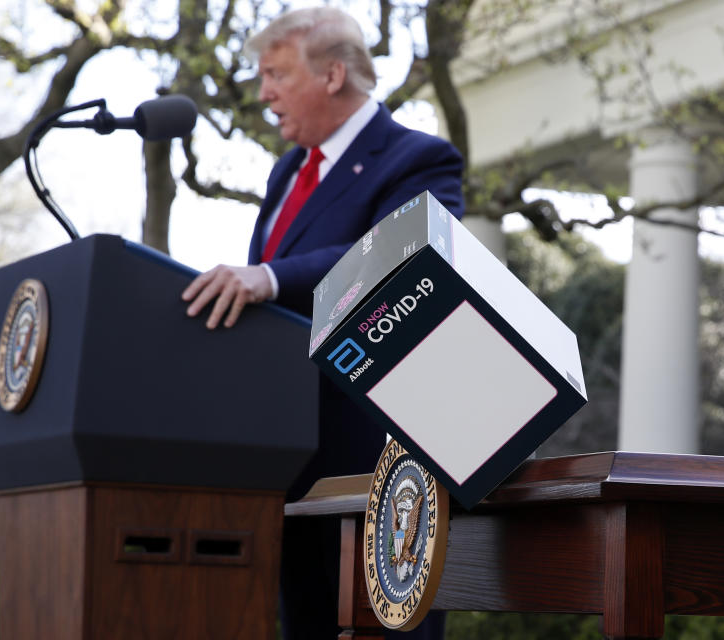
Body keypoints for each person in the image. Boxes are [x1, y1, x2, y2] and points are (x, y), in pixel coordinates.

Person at [181, 7, 464, 639]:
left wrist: (271, 277)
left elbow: (406, 251)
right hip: (284, 463)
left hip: (379, 470)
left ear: (333, 74)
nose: (264, 94)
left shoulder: (419, 158)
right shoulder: (287, 170)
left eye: (276, 74)